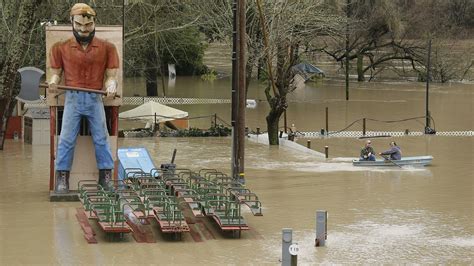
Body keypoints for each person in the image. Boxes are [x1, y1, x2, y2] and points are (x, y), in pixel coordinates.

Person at [49, 3, 119, 193]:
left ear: (94, 22)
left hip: (95, 97)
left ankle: (106, 177)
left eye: (88, 25)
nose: (83, 29)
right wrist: (53, 82)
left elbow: (111, 76)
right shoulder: (60, 47)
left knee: (101, 138)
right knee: (66, 139)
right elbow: (55, 73)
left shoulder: (108, 47)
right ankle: (62, 178)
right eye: (79, 24)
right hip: (72, 97)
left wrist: (111, 85)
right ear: (72, 22)